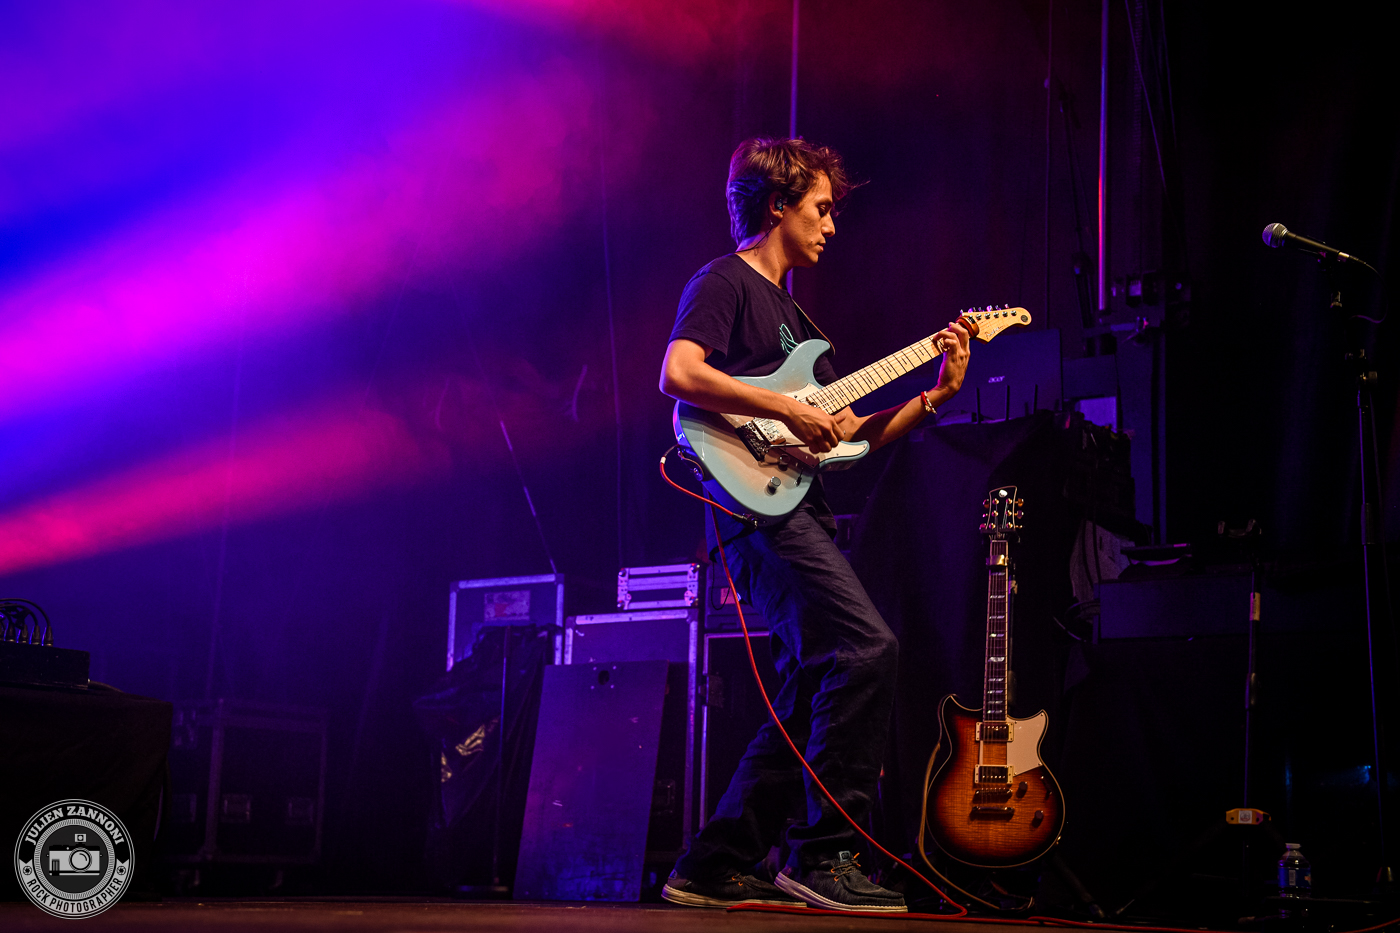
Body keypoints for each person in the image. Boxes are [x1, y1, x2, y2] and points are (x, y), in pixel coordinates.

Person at [657, 137, 972, 913]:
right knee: (867, 649)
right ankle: (824, 853)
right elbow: (680, 373)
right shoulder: (724, 280)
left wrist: (934, 395)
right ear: (777, 206)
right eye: (821, 208)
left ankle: (712, 863)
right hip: (755, 507)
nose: (832, 226)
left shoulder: (799, 322)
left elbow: (849, 436)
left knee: (810, 688)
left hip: (802, 505)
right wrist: (785, 407)